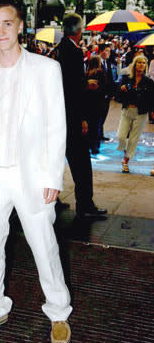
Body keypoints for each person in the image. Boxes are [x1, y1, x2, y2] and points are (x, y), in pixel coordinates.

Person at [0, 0, 72, 343]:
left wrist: (53, 177)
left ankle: (58, 311)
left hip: (33, 177)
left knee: (45, 248)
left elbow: (57, 128)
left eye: (7, 23)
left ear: (20, 25)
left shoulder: (46, 69)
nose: (0, 31)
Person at [56, 13, 107, 218]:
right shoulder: (74, 52)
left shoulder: (59, 49)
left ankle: (52, 199)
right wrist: (82, 118)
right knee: (82, 163)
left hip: (59, 116)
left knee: (56, 160)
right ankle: (85, 205)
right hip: (71, 117)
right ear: (78, 30)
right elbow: (73, 88)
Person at [117, 55, 154, 173]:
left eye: (143, 63)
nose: (141, 65)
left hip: (141, 112)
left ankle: (125, 161)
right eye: (139, 63)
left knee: (134, 139)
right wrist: (121, 90)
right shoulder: (126, 78)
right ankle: (126, 153)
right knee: (121, 136)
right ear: (135, 64)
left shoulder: (149, 82)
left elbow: (151, 98)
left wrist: (152, 111)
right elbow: (118, 97)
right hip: (127, 110)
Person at [85, 55, 107, 155]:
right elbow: (105, 87)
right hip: (98, 102)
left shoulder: (86, 74)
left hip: (88, 102)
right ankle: (95, 147)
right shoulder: (101, 72)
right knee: (96, 125)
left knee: (89, 125)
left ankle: (88, 145)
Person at [98, 43, 115, 141]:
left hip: (107, 94)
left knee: (104, 114)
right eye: (107, 51)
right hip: (100, 94)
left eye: (109, 51)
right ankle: (97, 134)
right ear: (101, 51)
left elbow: (110, 78)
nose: (109, 53)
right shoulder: (97, 62)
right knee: (99, 114)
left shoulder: (107, 62)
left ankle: (101, 134)